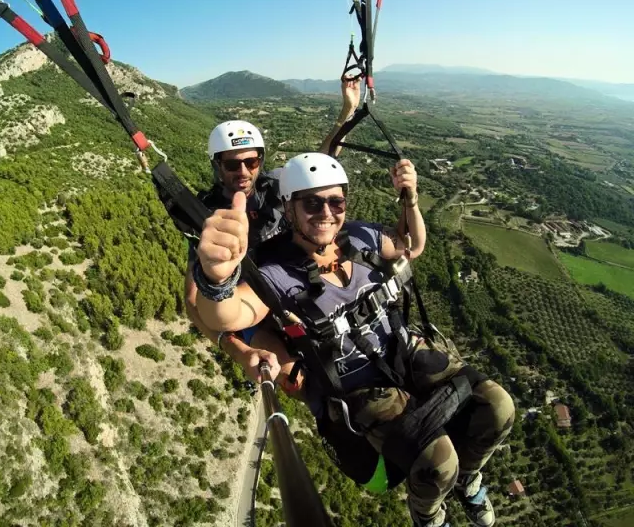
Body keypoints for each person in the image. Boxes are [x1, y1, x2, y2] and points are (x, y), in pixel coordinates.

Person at [191, 152, 515, 527]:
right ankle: (428, 514)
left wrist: (410, 200)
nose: (326, 213)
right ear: (289, 208)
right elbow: (228, 316)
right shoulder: (276, 273)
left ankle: (468, 479)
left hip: (403, 349)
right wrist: (216, 279)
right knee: (438, 463)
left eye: (336, 202)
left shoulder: (361, 238)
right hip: (355, 383)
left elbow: (411, 245)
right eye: (312, 203)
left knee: (498, 407)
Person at [182, 79, 362, 389]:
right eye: (232, 165)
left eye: (251, 162)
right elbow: (192, 298)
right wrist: (239, 351)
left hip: (295, 284)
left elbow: (320, 166)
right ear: (217, 166)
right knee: (297, 382)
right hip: (250, 301)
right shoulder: (207, 216)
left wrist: (346, 113)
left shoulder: (276, 187)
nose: (243, 172)